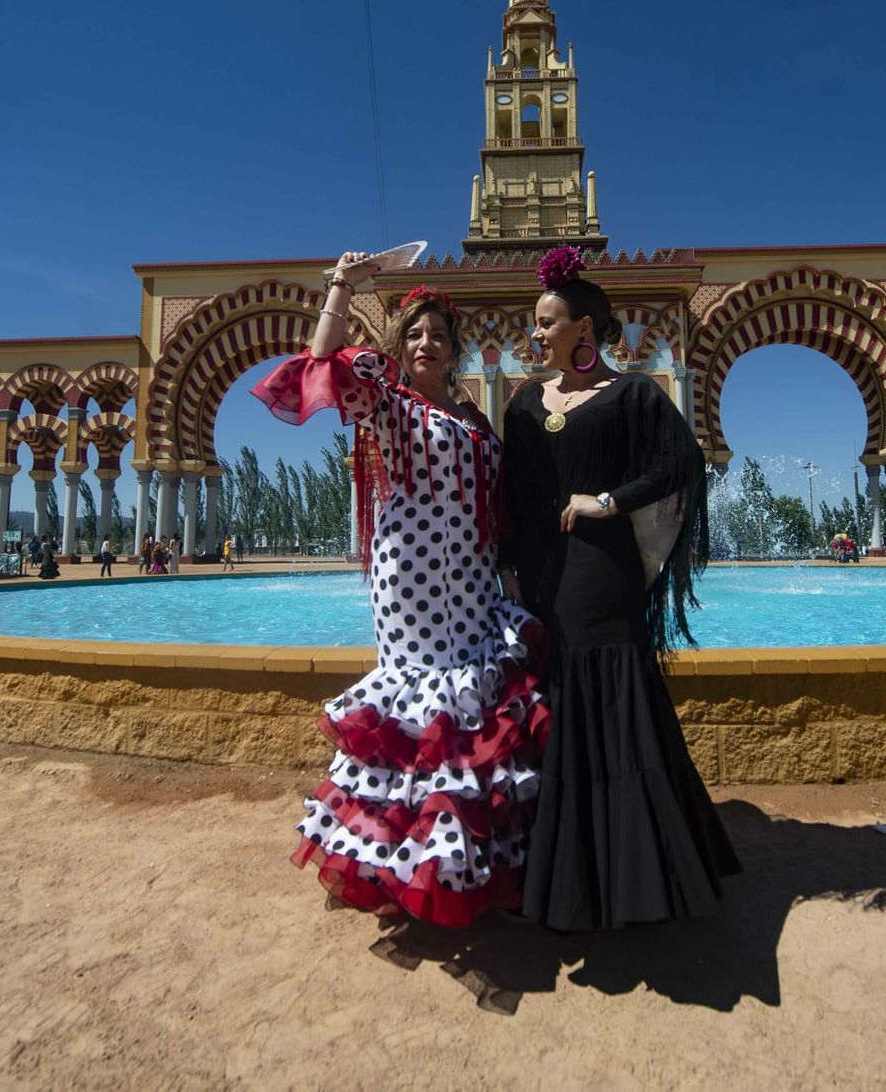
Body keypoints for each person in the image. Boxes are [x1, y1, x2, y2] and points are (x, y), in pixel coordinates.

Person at [252, 251, 547, 928]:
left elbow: (496, 505)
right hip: (409, 574)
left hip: (471, 574)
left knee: (471, 703)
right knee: (421, 707)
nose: (425, 344)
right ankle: (407, 864)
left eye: (438, 334)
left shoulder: (473, 415)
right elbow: (317, 363)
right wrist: (340, 285)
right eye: (414, 333)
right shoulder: (388, 400)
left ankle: (475, 857)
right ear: (399, 343)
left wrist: (508, 574)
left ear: (454, 346)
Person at [502, 246, 740, 932]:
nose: (537, 335)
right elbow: (515, 499)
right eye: (536, 324)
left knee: (608, 703)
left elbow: (682, 465)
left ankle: (632, 878)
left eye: (548, 323)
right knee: (555, 705)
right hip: (543, 578)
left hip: (601, 577)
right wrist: (511, 571)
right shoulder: (523, 404)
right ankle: (560, 874)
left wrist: (607, 499)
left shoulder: (631, 394)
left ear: (584, 329)